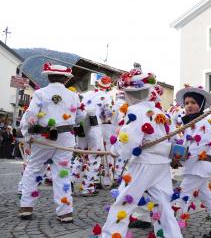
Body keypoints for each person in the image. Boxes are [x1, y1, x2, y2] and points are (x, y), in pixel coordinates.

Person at [100, 67, 182, 238]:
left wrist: (115, 151)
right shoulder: (162, 113)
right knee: (163, 207)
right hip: (162, 165)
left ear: (128, 94)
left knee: (123, 203)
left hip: (143, 164)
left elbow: (128, 141)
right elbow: (174, 139)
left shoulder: (135, 111)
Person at [18, 62, 85, 222]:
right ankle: (65, 212)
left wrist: (27, 134)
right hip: (66, 138)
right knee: (62, 173)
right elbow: (80, 117)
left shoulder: (40, 93)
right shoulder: (73, 95)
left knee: (34, 169)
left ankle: (26, 207)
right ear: (66, 80)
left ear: (48, 77)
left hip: (43, 138)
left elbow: (30, 116)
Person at [173, 85, 211, 238]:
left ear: (201, 104)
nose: (189, 106)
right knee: (207, 197)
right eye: (186, 103)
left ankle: (170, 228)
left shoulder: (204, 122)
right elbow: (185, 145)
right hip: (194, 167)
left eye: (193, 102)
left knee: (182, 196)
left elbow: (197, 149)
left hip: (198, 167)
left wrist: (178, 159)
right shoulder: (191, 124)